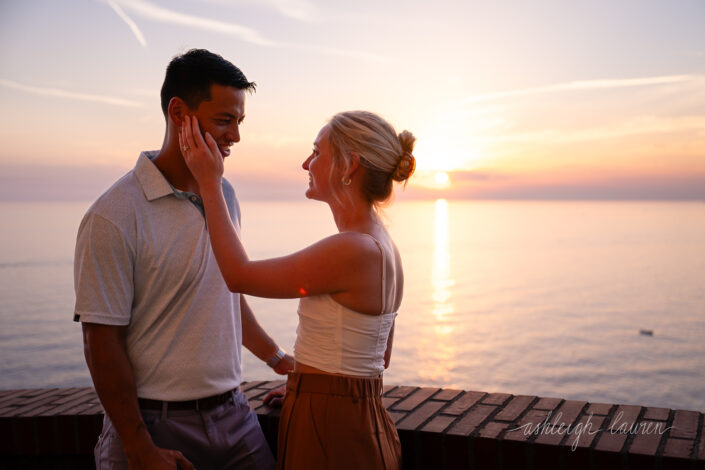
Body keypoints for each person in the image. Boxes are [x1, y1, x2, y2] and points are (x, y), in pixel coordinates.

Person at [74, 49, 293, 470]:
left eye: (239, 122)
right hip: (152, 426)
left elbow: (225, 296)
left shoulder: (224, 195)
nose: (236, 137)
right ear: (179, 114)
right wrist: (139, 449)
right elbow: (101, 346)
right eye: (224, 120)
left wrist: (281, 362)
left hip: (235, 416)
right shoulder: (113, 215)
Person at [180, 109, 416, 469]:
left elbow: (238, 276)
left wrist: (209, 184)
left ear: (349, 165)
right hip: (362, 424)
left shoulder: (352, 249)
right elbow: (377, 359)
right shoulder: (385, 247)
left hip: (329, 430)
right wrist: (305, 383)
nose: (306, 162)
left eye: (317, 152)